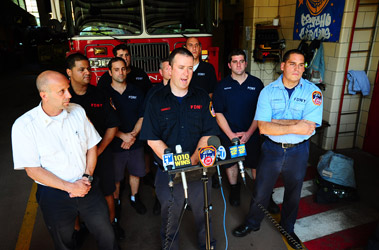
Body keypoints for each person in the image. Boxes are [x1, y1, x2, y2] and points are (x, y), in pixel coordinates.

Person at [11, 70, 118, 250]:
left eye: (68, 89)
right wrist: (70, 187)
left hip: (87, 185)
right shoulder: (24, 126)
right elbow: (33, 170)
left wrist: (87, 177)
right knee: (64, 241)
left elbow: (92, 146)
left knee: (106, 233)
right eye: (62, 91)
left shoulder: (77, 111)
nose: (69, 95)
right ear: (44, 95)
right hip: (54, 195)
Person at [232, 49, 323, 249]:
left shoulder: (313, 92)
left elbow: (310, 126)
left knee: (293, 192)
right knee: (262, 190)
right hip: (272, 149)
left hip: (298, 151)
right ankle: (252, 223)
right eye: (293, 64)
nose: (297, 69)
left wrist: (278, 122)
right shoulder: (268, 91)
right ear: (283, 66)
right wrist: (295, 125)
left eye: (301, 65)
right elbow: (263, 127)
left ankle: (288, 229)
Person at [140, 48, 219, 250]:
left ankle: (207, 245)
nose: (186, 73)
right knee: (170, 216)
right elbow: (152, 139)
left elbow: (208, 133)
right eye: (181, 68)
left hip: (198, 169)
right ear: (170, 68)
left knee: (204, 212)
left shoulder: (201, 97)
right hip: (168, 172)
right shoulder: (155, 100)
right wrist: (176, 164)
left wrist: (192, 160)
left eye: (190, 68)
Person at [66, 53, 124, 239]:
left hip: (101, 154)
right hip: (72, 158)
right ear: (69, 72)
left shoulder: (100, 93)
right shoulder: (64, 96)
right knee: (73, 193)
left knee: (108, 190)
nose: (87, 72)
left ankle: (111, 226)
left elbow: (113, 124)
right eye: (81, 69)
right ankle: (78, 231)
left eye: (88, 69)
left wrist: (98, 151)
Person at [212, 49, 264, 206]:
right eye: (235, 61)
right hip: (230, 135)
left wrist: (248, 133)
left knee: (256, 163)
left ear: (246, 63)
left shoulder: (256, 84)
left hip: (252, 134)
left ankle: (262, 193)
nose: (239, 64)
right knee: (231, 163)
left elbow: (261, 112)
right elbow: (218, 113)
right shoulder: (222, 86)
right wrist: (231, 135)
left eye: (241, 61)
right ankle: (235, 189)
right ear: (229, 65)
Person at [102, 57, 147, 215]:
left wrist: (133, 135)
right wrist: (123, 136)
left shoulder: (136, 91)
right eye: (116, 69)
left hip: (135, 141)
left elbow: (142, 116)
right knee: (116, 177)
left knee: (136, 172)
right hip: (114, 143)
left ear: (127, 70)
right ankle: (116, 200)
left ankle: (134, 197)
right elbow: (103, 122)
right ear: (110, 72)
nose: (120, 72)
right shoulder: (104, 94)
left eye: (123, 69)